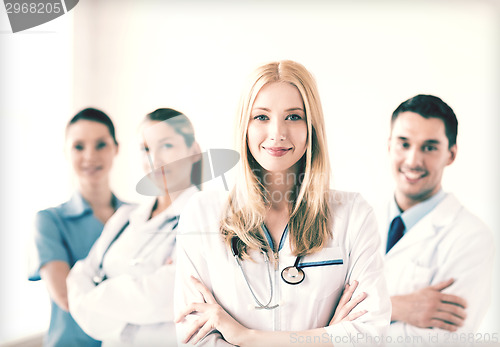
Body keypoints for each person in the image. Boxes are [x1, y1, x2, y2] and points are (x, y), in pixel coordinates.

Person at [174, 60, 391, 346]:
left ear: (311, 125)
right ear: (245, 126)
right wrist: (327, 338)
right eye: (261, 117)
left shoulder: (353, 214)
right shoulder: (202, 213)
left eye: (293, 117)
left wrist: (246, 337)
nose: (277, 133)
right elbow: (195, 337)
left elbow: (369, 334)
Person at [66, 108, 202, 346]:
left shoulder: (205, 220)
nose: (155, 160)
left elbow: (162, 297)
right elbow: (77, 277)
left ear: (193, 152)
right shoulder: (125, 218)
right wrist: (129, 304)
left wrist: (96, 296)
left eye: (167, 146)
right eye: (146, 149)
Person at [381, 94, 495, 343]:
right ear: (389, 145)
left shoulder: (472, 238)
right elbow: (315, 315)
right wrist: (395, 307)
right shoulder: (356, 218)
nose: (413, 160)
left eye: (429, 147)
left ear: (451, 154)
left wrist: (353, 321)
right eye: (404, 143)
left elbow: (442, 341)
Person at [29, 108, 123, 347]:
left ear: (116, 149)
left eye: (101, 145)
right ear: (66, 152)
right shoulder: (49, 221)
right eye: (79, 146)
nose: (90, 156)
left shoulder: (138, 217)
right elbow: (67, 296)